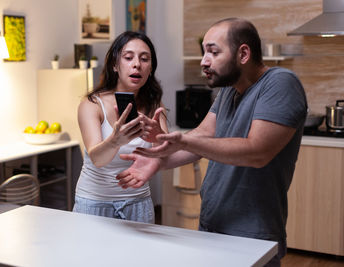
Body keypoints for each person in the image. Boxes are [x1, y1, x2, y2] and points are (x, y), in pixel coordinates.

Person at [116, 18, 307, 266]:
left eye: (213, 52)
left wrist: (182, 141)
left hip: (251, 232)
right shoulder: (229, 89)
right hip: (213, 224)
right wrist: (159, 160)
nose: (204, 61)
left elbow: (257, 151)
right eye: (204, 51)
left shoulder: (280, 83)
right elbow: (204, 134)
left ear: (244, 53)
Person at [73, 31, 168, 224]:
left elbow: (166, 156)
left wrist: (160, 138)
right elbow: (97, 158)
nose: (137, 64)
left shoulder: (154, 105)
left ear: (150, 69)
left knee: (138, 256)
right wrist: (116, 139)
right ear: (115, 65)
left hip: (138, 202)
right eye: (128, 57)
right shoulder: (92, 104)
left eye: (144, 59)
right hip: (93, 203)